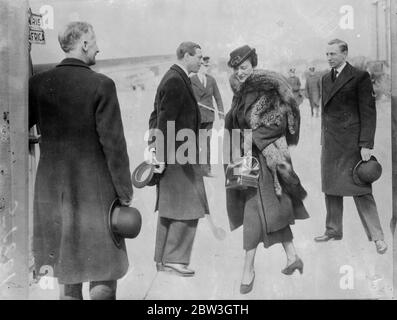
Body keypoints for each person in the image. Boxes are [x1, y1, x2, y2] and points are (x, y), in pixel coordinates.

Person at [29, 22, 133, 300]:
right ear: (84, 43)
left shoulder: (38, 84)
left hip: (51, 194)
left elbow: (19, 128)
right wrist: (125, 192)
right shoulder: (102, 84)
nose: (99, 47)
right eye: (95, 41)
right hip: (95, 193)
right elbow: (114, 145)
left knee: (67, 272)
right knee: (104, 269)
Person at [224, 45, 309, 295]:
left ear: (253, 64)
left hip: (268, 159)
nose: (240, 72)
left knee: (256, 212)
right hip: (249, 160)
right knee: (269, 211)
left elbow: (278, 123)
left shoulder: (267, 88)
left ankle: (247, 270)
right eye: (236, 69)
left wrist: (251, 137)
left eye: (244, 67)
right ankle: (292, 255)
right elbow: (238, 121)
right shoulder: (240, 91)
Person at [314, 39, 388, 255]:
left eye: (333, 54)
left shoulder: (359, 77)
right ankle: (333, 229)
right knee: (331, 188)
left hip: (352, 144)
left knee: (361, 188)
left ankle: (377, 237)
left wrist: (366, 144)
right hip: (331, 143)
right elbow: (326, 115)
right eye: (327, 54)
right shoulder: (325, 78)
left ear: (345, 54)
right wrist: (323, 139)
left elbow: (368, 112)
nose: (329, 57)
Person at [147, 42, 209, 277]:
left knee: (170, 207)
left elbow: (156, 116)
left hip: (174, 153)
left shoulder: (174, 77)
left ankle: (164, 259)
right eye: (199, 57)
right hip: (177, 155)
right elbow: (165, 120)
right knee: (189, 206)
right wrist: (161, 155)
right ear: (186, 55)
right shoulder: (175, 79)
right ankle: (175, 260)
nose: (201, 62)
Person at [190, 56, 225, 177]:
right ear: (199, 66)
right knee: (194, 143)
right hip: (195, 117)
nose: (207, 68)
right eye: (205, 66)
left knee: (206, 143)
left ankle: (206, 170)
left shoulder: (211, 80)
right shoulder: (191, 80)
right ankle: (195, 170)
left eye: (208, 66)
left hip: (209, 117)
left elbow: (218, 98)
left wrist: (221, 116)